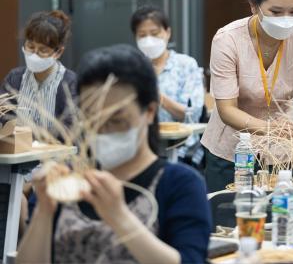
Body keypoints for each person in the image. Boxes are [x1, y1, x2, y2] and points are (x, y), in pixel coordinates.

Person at [17, 45, 211, 263]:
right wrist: (44, 210)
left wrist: (119, 216)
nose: (103, 131)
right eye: (92, 119)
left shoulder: (179, 184)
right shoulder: (65, 183)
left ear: (149, 112)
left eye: (117, 120)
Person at [201, 0, 293, 192]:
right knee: (226, 224)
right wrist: (273, 129)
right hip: (230, 151)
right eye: (276, 12)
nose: (286, 20)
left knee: (279, 219)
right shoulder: (228, 40)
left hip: (281, 154)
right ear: (254, 6)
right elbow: (226, 110)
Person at [130, 5, 205, 165]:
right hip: (141, 150)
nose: (148, 40)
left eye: (155, 33)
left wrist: (158, 97)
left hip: (182, 151)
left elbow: (192, 114)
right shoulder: (132, 67)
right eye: (142, 35)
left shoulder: (185, 65)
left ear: (167, 33)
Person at [0, 10, 77, 135]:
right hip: (20, 152)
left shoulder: (70, 83)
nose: (34, 54)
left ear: (58, 52)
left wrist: (30, 132)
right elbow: (4, 116)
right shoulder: (14, 79)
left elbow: (70, 129)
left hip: (57, 153)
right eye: (30, 46)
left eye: (43, 50)